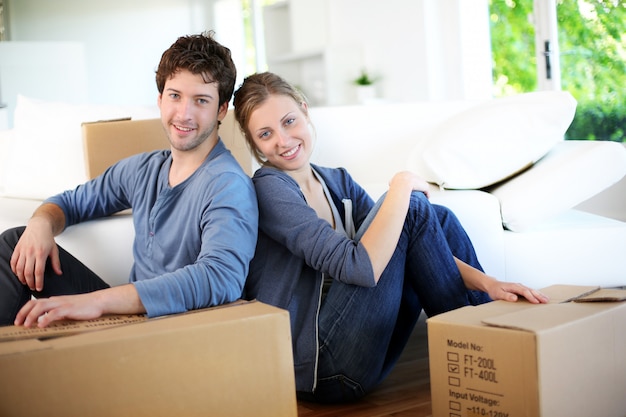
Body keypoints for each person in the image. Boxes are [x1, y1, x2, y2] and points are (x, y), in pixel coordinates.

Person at [232, 72, 548, 403]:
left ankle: (490, 342)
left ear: (305, 110)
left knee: (439, 218)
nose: (283, 140)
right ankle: (488, 354)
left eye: (289, 121)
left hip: (365, 349)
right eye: (266, 134)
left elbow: (415, 243)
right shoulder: (269, 188)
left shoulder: (336, 180)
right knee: (409, 207)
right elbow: (360, 268)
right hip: (324, 367)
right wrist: (401, 184)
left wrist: (488, 283)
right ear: (254, 143)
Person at [0, 31, 258, 328]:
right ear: (160, 100)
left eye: (201, 100)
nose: (184, 114)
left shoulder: (228, 185)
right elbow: (69, 203)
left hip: (179, 330)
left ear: (221, 110)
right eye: (175, 96)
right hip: (129, 321)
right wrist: (40, 224)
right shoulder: (144, 170)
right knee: (17, 242)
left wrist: (96, 301)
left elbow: (221, 278)